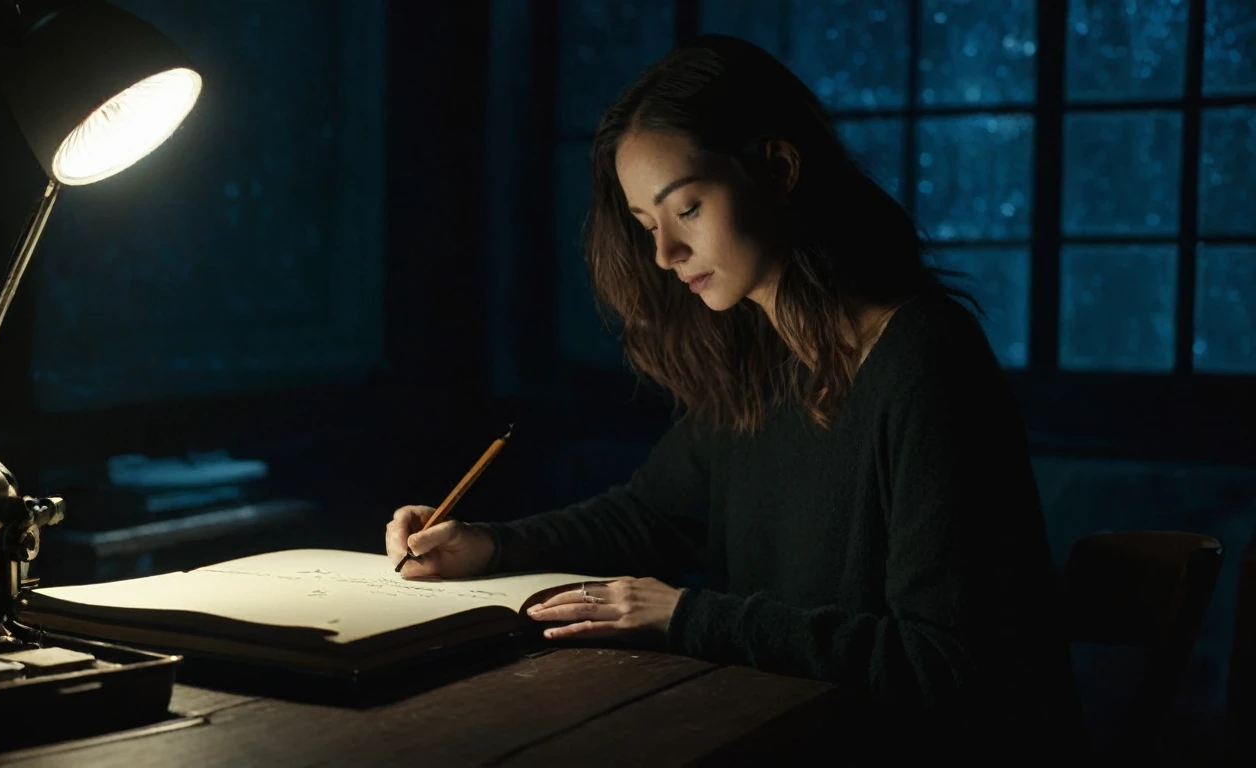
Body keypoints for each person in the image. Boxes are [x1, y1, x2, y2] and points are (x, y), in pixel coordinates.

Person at [385, 34, 1084, 757]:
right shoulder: (764, 361)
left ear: (777, 168)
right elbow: (650, 515)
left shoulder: (928, 362)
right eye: (646, 226)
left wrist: (686, 616)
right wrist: (489, 543)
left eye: (685, 209)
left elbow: (947, 663)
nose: (664, 255)